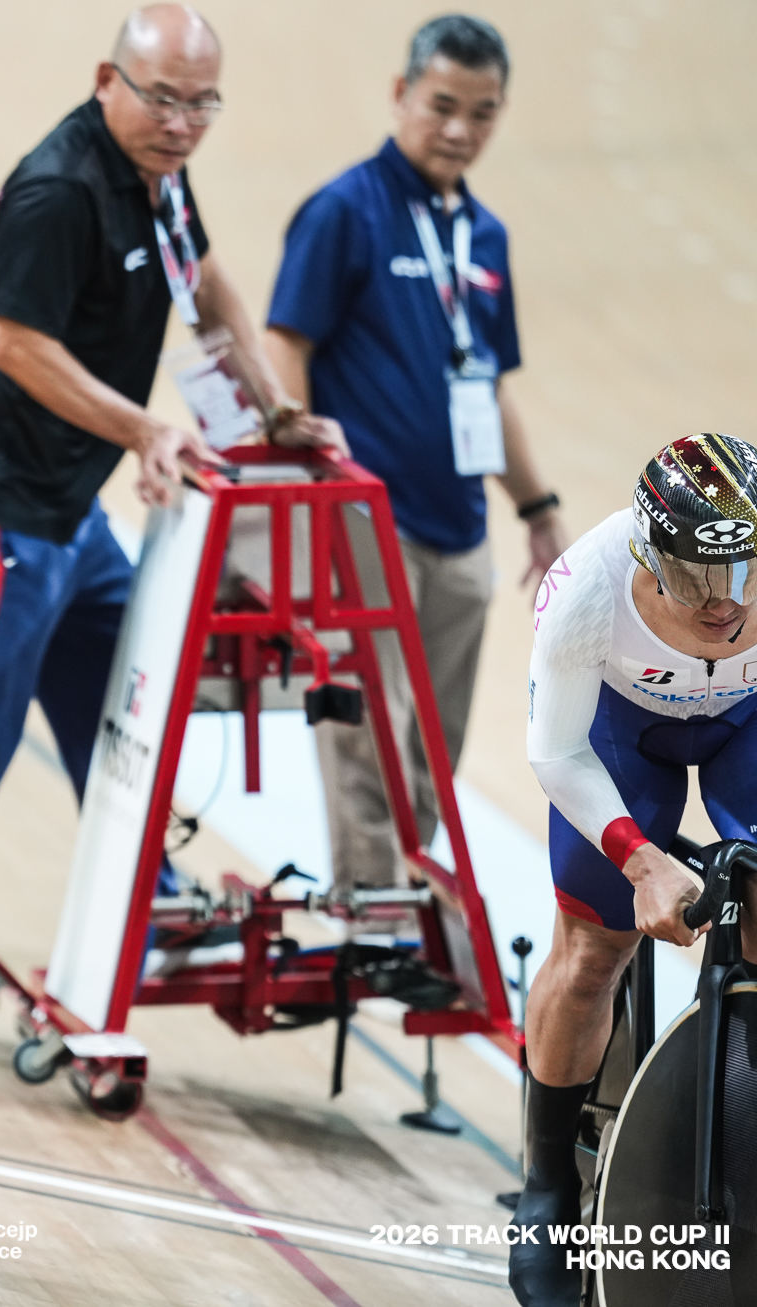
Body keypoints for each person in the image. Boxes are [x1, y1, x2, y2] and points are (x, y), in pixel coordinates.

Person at [0, 5, 343, 1060]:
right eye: (162, 98)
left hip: (65, 511)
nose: (182, 121)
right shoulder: (60, 190)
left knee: (123, 710)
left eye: (202, 103)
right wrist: (145, 427)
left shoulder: (159, 174)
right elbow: (13, 344)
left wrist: (272, 407)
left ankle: (149, 899)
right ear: (109, 80)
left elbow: (207, 287)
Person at [264, 14, 565, 896]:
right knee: (365, 724)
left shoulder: (486, 235)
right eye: (442, 106)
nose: (460, 129)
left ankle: (409, 895)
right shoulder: (343, 212)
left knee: (435, 736)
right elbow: (286, 345)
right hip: (366, 518)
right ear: (401, 95)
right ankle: (373, 910)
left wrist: (537, 508)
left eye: (483, 112)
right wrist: (312, 484)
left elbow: (489, 385)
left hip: (460, 528)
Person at [514, 434, 757, 1305]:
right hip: (620, 736)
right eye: (696, 578)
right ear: (648, 555)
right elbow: (556, 752)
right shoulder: (588, 585)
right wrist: (641, 860)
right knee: (592, 953)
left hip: (746, 723)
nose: (724, 600)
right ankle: (548, 1185)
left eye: (741, 572)